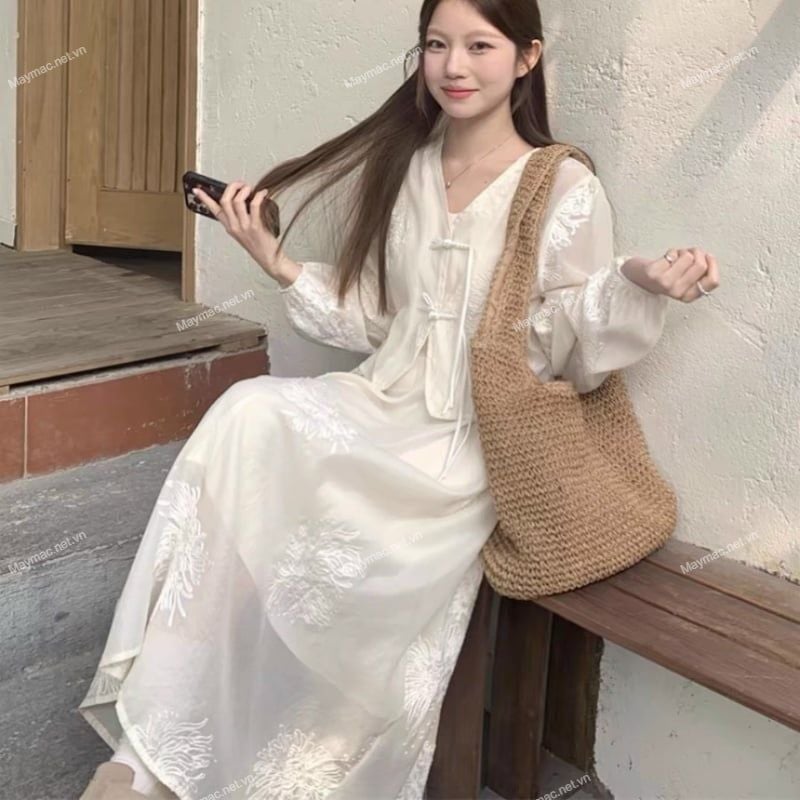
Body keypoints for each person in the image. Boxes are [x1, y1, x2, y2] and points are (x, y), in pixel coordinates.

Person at [77, 1, 721, 798]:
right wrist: (275, 261)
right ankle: (150, 753)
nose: (455, 65)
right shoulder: (411, 167)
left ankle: (297, 755)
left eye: (480, 45)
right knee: (249, 413)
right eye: (437, 44)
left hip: (467, 441)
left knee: (354, 543)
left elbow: (561, 346)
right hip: (382, 402)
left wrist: (634, 283)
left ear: (526, 58)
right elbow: (382, 319)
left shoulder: (560, 184)